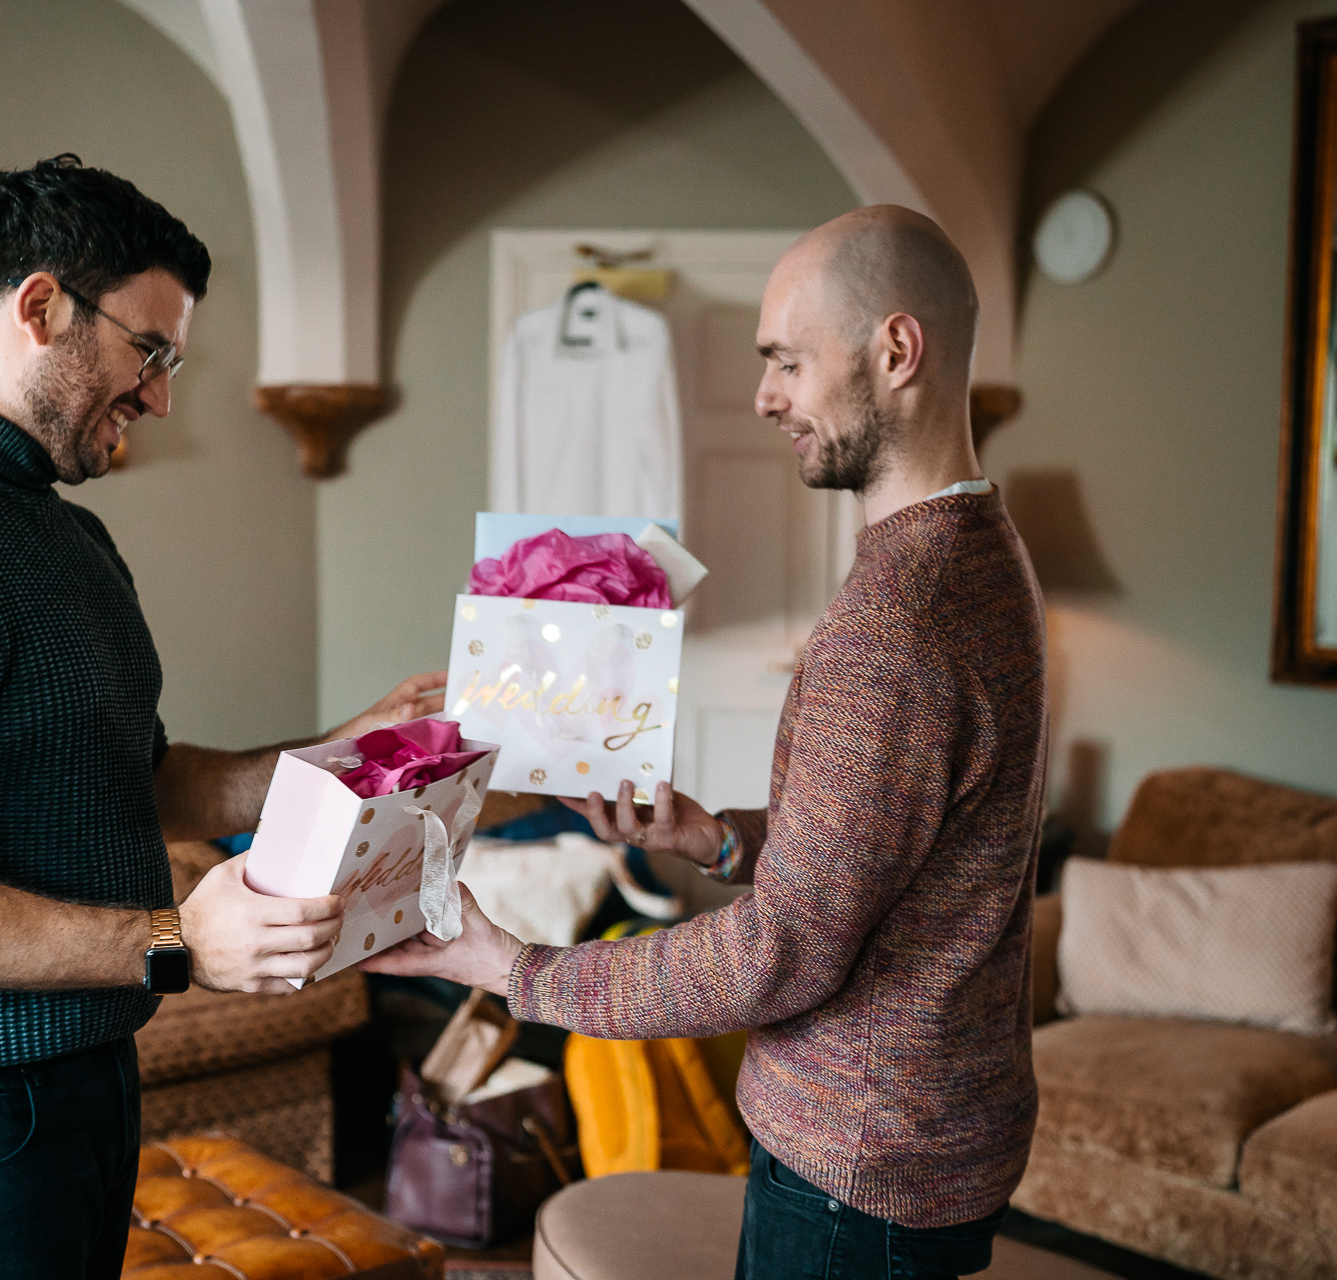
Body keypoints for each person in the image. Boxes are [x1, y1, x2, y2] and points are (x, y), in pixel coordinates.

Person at [0, 155, 440, 1280]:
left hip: (75, 1066)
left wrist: (341, 754)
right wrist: (175, 942)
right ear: (41, 306)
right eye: (151, 350)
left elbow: (131, 777)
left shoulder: (63, 533)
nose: (162, 395)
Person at [366, 206, 1047, 1280]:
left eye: (786, 361)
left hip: (854, 1164)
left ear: (896, 350)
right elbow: (899, 842)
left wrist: (520, 970)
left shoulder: (899, 616)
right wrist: (726, 839)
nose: (767, 394)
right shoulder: (983, 549)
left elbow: (779, 952)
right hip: (929, 1129)